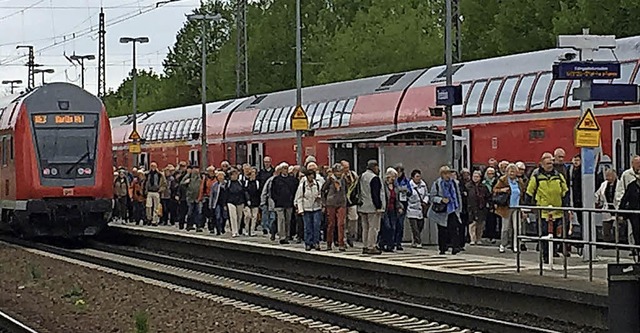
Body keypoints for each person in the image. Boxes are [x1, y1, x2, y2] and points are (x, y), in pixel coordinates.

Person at [525, 152, 569, 263]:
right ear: (542, 164)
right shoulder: (537, 177)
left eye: (551, 163)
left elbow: (565, 191)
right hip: (543, 210)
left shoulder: (559, 176)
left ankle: (553, 251)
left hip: (557, 210)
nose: (550, 165)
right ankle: (545, 255)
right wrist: (527, 207)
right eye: (548, 163)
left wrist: (567, 206)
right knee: (545, 233)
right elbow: (529, 192)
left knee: (556, 234)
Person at [428, 165, 463, 255]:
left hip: (452, 208)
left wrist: (459, 207)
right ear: (442, 174)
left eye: (449, 173)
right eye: (446, 173)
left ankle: (455, 247)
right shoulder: (437, 184)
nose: (448, 175)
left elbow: (458, 195)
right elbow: (432, 197)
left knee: (454, 228)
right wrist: (441, 199)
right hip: (442, 211)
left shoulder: (454, 183)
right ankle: (442, 248)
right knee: (442, 230)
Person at [493, 163, 526, 253]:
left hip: (517, 207)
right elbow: (495, 190)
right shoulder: (503, 180)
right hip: (506, 207)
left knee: (517, 228)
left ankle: (515, 245)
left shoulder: (519, 181)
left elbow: (522, 194)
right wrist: (502, 190)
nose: (512, 174)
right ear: (507, 172)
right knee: (505, 228)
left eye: (514, 172)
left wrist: (523, 208)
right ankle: (503, 244)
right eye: (510, 172)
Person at [358, 160, 385, 255]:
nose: (378, 169)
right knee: (373, 228)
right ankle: (371, 246)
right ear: (374, 167)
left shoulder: (361, 176)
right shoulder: (374, 178)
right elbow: (375, 194)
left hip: (362, 205)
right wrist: (378, 206)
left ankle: (365, 246)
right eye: (377, 167)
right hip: (372, 206)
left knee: (365, 227)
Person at [615, 155, 640, 256]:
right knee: (634, 231)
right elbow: (621, 193)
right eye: (637, 163)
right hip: (633, 210)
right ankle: (634, 249)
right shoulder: (627, 175)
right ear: (632, 164)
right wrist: (621, 211)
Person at [295, 168, 324, 250]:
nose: (311, 178)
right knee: (307, 226)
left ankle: (316, 242)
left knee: (316, 226)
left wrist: (320, 199)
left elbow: (322, 194)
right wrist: (301, 210)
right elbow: (299, 198)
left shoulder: (318, 185)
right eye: (310, 176)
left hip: (316, 207)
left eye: (312, 176)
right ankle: (308, 242)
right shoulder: (303, 186)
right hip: (306, 208)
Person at [322, 163, 347, 251]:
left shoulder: (344, 179)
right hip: (331, 203)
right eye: (337, 172)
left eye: (340, 172)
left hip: (342, 202)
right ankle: (329, 242)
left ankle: (341, 243)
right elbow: (323, 189)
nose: (339, 174)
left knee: (341, 224)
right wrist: (324, 202)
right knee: (331, 224)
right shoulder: (330, 180)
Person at [271, 162, 297, 244]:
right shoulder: (276, 180)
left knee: (288, 220)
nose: (285, 170)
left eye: (286, 168)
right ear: (281, 170)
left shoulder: (292, 180)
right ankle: (282, 236)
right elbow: (272, 191)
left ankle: (287, 235)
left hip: (289, 203)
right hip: (279, 203)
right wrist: (276, 199)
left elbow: (295, 190)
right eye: (284, 168)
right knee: (281, 219)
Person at [595, 169, 620, 243]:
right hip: (607, 208)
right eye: (606, 176)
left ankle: (617, 242)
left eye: (609, 176)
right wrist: (597, 202)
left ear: (614, 176)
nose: (607, 178)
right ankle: (607, 242)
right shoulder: (603, 184)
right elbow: (598, 194)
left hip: (616, 207)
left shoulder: (620, 184)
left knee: (618, 228)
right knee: (606, 227)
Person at [380, 168, 401, 252]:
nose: (394, 178)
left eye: (395, 177)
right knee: (387, 227)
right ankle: (382, 242)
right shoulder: (383, 185)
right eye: (393, 176)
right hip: (385, 208)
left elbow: (397, 198)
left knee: (393, 227)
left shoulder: (395, 186)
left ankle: (390, 245)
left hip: (393, 209)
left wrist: (399, 207)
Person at [466, 170, 489, 245]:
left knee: (480, 224)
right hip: (471, 207)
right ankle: (472, 239)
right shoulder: (468, 186)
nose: (475, 178)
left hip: (481, 207)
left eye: (477, 177)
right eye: (474, 176)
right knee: (472, 224)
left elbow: (488, 196)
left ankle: (479, 238)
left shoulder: (484, 187)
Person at [406, 169, 428, 248]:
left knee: (420, 226)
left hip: (420, 208)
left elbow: (426, 194)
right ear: (413, 177)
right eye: (417, 176)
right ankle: (418, 241)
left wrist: (425, 201)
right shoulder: (409, 185)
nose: (418, 178)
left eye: (419, 176)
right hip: (411, 208)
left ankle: (414, 240)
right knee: (414, 227)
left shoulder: (423, 185)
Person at [394, 164, 411, 251]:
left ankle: (398, 242)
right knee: (394, 224)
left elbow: (410, 191)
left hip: (403, 203)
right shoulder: (393, 180)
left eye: (400, 172)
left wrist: (406, 191)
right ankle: (392, 241)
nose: (399, 173)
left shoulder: (406, 180)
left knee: (400, 224)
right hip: (395, 204)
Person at [341, 160, 359, 247]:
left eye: (347, 167)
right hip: (342, 202)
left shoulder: (354, 175)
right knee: (343, 221)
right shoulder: (340, 177)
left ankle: (351, 235)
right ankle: (343, 238)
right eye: (345, 168)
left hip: (352, 201)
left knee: (353, 219)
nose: (347, 169)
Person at [226, 169, 248, 237]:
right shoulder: (228, 183)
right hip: (230, 201)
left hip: (240, 202)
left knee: (239, 217)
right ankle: (234, 231)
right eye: (233, 175)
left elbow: (244, 192)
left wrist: (246, 201)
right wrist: (224, 203)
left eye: (236, 174)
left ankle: (237, 230)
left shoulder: (240, 183)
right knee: (233, 216)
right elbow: (225, 193)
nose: (235, 176)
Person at [145, 162, 167, 226]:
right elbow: (145, 182)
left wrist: (160, 190)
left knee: (156, 207)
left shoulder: (160, 175)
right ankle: (149, 218)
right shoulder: (147, 174)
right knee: (148, 206)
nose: (153, 167)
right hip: (149, 191)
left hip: (156, 192)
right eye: (151, 166)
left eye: (154, 166)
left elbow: (164, 184)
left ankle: (155, 220)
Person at [183, 165, 203, 232]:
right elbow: (181, 184)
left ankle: (198, 226)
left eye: (197, 169)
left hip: (198, 197)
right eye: (195, 169)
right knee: (190, 212)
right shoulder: (189, 175)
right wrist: (186, 183)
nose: (196, 170)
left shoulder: (201, 176)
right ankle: (189, 225)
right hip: (190, 197)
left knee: (198, 212)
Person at [208, 171, 228, 235]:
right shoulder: (215, 185)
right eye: (219, 176)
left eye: (222, 176)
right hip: (217, 203)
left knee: (224, 217)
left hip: (224, 203)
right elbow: (212, 195)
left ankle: (222, 228)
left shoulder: (226, 184)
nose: (220, 177)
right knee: (218, 216)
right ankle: (218, 230)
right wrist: (210, 204)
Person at [243, 168, 261, 236]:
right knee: (248, 216)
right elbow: (245, 191)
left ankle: (252, 230)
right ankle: (246, 229)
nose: (253, 176)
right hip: (247, 202)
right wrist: (247, 200)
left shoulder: (257, 183)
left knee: (254, 217)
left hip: (255, 201)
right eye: (252, 175)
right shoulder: (246, 182)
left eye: (254, 175)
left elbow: (258, 192)